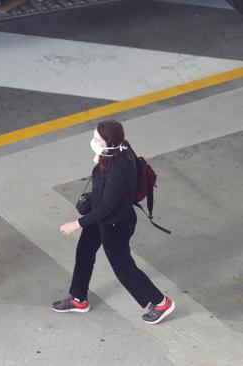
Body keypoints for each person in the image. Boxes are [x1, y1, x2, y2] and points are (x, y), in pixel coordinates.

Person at [53, 120, 175, 325]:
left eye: (97, 140)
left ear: (110, 143)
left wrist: (77, 223)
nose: (93, 142)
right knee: (84, 253)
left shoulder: (119, 167)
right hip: (101, 217)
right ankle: (78, 298)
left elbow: (107, 207)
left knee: (124, 268)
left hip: (115, 224)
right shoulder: (117, 150)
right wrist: (101, 160)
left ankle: (161, 303)